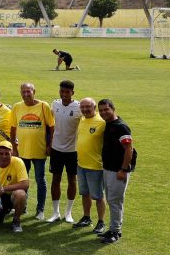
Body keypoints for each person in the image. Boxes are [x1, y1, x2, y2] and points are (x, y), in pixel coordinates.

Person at [10, 82, 54, 220]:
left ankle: (40, 210)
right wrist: (14, 148)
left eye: (28, 91)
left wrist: (50, 145)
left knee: (40, 180)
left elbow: (51, 127)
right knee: (22, 181)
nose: (26, 94)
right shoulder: (17, 107)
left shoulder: (43, 106)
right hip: (22, 151)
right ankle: (21, 207)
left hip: (39, 150)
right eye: (23, 92)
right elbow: (12, 128)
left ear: (34, 92)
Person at [98, 99, 137, 244]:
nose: (103, 112)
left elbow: (129, 149)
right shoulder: (109, 124)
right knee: (111, 200)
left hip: (117, 171)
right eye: (101, 110)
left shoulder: (121, 127)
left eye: (106, 109)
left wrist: (124, 169)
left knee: (115, 202)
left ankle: (115, 231)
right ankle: (113, 228)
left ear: (113, 109)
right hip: (108, 169)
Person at [48, 80, 81, 223]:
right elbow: (49, 123)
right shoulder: (55, 104)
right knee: (55, 179)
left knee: (72, 180)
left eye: (67, 92)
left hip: (73, 150)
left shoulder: (79, 107)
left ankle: (68, 213)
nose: (64, 94)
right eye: (62, 91)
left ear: (72, 92)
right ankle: (55, 212)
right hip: (56, 149)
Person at [72, 97, 107, 234]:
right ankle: (86, 217)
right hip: (81, 164)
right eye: (82, 107)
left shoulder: (102, 122)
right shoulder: (82, 119)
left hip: (96, 166)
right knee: (84, 193)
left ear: (94, 108)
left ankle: (101, 222)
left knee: (98, 196)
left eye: (88, 107)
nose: (85, 109)